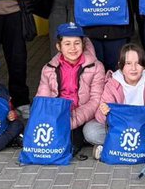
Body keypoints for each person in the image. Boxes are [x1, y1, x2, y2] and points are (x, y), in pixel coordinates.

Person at [36, 23, 107, 154]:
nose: (73, 48)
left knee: (87, 134)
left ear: (83, 44)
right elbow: (43, 100)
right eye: (67, 43)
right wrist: (49, 118)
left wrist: (74, 118)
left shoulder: (96, 67)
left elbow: (96, 100)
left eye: (77, 43)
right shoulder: (48, 69)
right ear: (59, 46)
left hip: (83, 115)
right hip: (58, 115)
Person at [90, 43, 145, 158]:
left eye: (138, 63)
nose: (134, 68)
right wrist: (104, 112)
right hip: (120, 128)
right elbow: (100, 118)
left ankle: (110, 147)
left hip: (143, 128)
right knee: (90, 131)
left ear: (144, 65)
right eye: (128, 63)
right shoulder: (112, 83)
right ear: (121, 66)